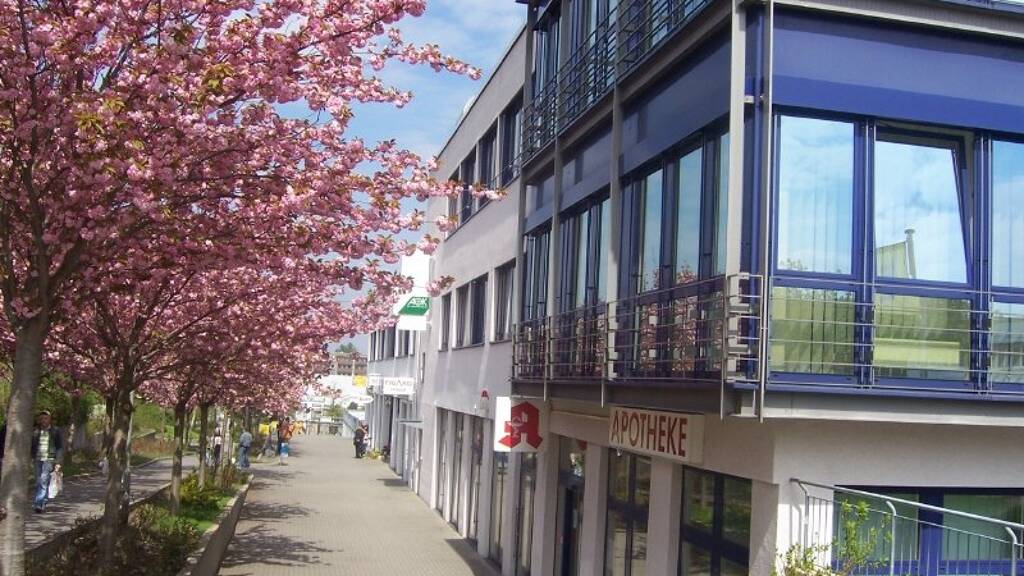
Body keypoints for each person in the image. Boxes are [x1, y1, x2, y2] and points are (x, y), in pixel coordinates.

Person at [31, 411, 63, 513]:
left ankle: (38, 503)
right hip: (37, 459)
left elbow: (59, 447)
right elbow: (32, 445)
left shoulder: (55, 431)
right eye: (42, 418)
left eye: (46, 418)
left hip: (49, 459)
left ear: (50, 419)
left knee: (43, 480)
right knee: (38, 481)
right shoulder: (36, 431)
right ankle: (43, 501)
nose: (43, 420)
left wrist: (58, 462)